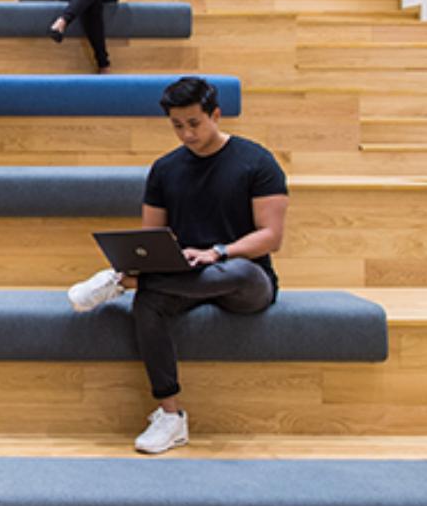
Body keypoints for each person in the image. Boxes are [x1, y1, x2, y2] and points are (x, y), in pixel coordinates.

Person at [67, 77, 289, 454]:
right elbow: (151, 238)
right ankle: (171, 416)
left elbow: (271, 237)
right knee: (148, 305)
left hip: (242, 279)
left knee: (235, 270)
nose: (186, 133)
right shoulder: (165, 169)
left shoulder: (257, 162)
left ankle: (123, 283)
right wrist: (142, 262)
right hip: (180, 279)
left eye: (194, 123)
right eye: (177, 125)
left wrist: (217, 252)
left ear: (215, 115)